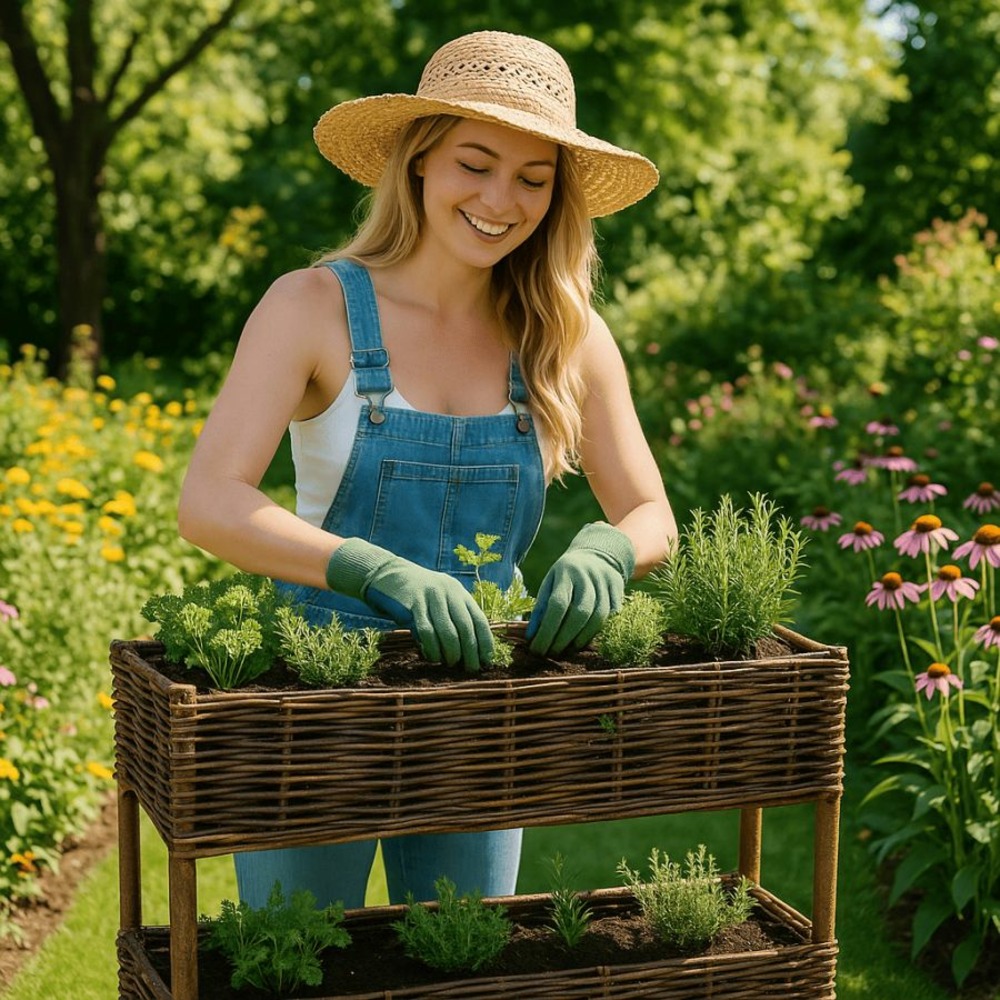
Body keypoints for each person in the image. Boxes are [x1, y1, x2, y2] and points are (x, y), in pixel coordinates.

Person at [177, 29, 676, 912]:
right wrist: (368, 567)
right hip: (319, 698)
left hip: (484, 708)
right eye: (474, 164)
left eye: (533, 178)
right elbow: (210, 500)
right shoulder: (313, 306)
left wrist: (608, 548)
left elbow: (650, 514)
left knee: (464, 957)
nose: (500, 199)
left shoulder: (565, 336)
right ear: (418, 163)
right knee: (300, 960)